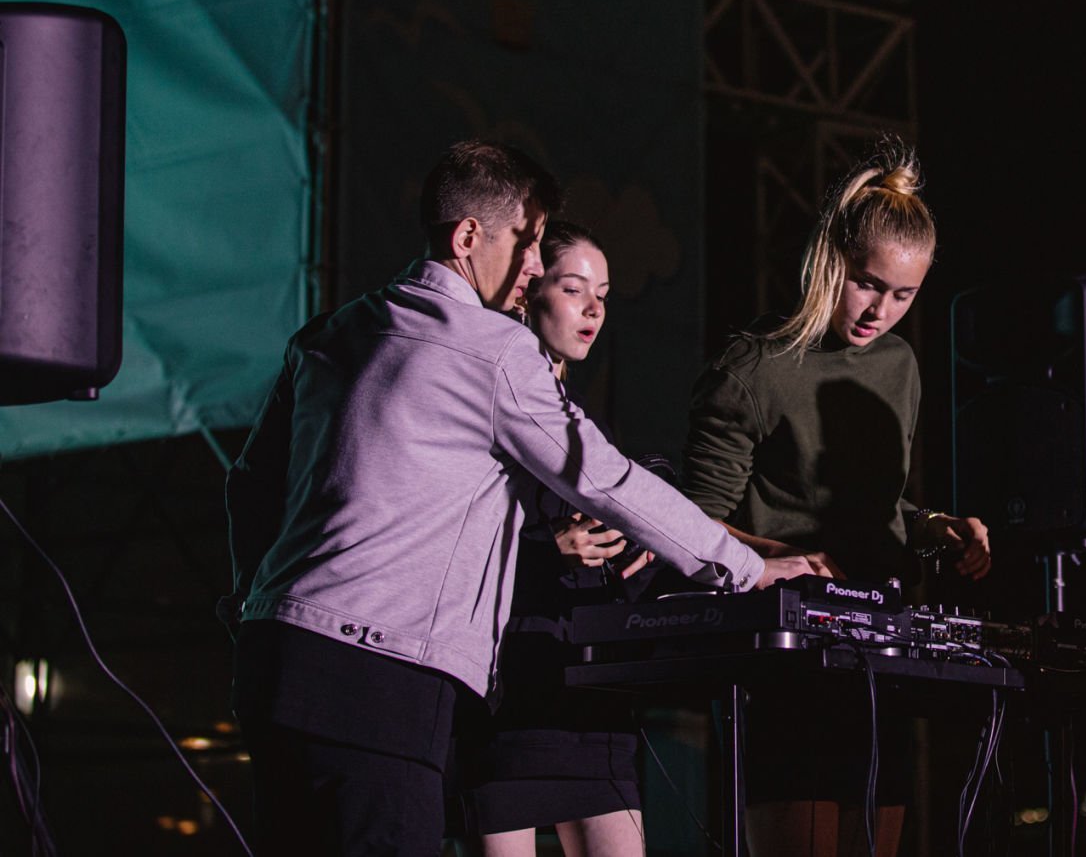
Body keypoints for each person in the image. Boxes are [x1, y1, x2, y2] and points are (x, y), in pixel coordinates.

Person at [221, 139, 811, 857]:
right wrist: (747, 570)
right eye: (527, 242)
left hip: (275, 659)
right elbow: (605, 479)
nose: (534, 265)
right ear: (469, 237)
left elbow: (249, 483)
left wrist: (251, 600)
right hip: (381, 676)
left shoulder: (329, 331)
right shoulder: (494, 349)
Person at [675, 137, 992, 857]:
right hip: (787, 660)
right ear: (830, 258)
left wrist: (936, 527)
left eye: (904, 294)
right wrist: (790, 558)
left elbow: (875, 510)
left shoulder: (899, 365)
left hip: (880, 654)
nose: (882, 309)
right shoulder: (754, 366)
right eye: (868, 283)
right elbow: (692, 525)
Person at [454, 220, 651, 857]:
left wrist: (641, 542)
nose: (594, 308)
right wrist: (545, 549)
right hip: (507, 701)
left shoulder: (584, 421)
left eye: (604, 295)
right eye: (574, 289)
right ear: (528, 291)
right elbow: (446, 544)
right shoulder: (482, 400)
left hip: (589, 698)